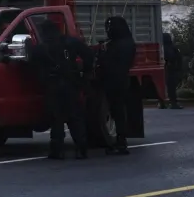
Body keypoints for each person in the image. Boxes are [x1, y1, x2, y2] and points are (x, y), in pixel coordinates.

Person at [30, 19, 94, 160]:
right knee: (75, 118)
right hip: (71, 84)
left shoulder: (41, 48)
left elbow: (33, 66)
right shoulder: (70, 42)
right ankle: (82, 148)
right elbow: (88, 55)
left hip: (53, 86)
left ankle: (57, 150)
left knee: (56, 119)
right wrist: (85, 73)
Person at [99, 16, 136, 155]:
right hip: (123, 79)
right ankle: (121, 139)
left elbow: (106, 63)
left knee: (117, 111)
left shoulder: (115, 45)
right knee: (119, 110)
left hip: (112, 80)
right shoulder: (129, 42)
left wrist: (103, 53)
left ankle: (120, 141)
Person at [163, 33, 183, 109]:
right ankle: (173, 103)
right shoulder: (172, 47)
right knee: (172, 87)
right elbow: (177, 58)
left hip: (165, 69)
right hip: (172, 70)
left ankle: (163, 103)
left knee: (167, 87)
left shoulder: (162, 47)